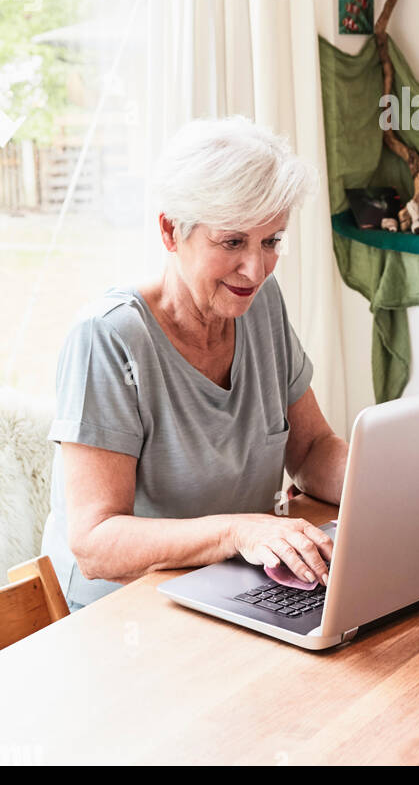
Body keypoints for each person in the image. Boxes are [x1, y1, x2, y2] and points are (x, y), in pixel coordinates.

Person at [41, 115, 348, 611]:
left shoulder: (261, 303)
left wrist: (393, 482)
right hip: (123, 612)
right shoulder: (108, 337)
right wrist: (237, 530)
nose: (256, 269)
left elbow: (311, 449)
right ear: (170, 230)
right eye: (232, 242)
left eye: (270, 241)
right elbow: (95, 543)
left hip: (234, 589)